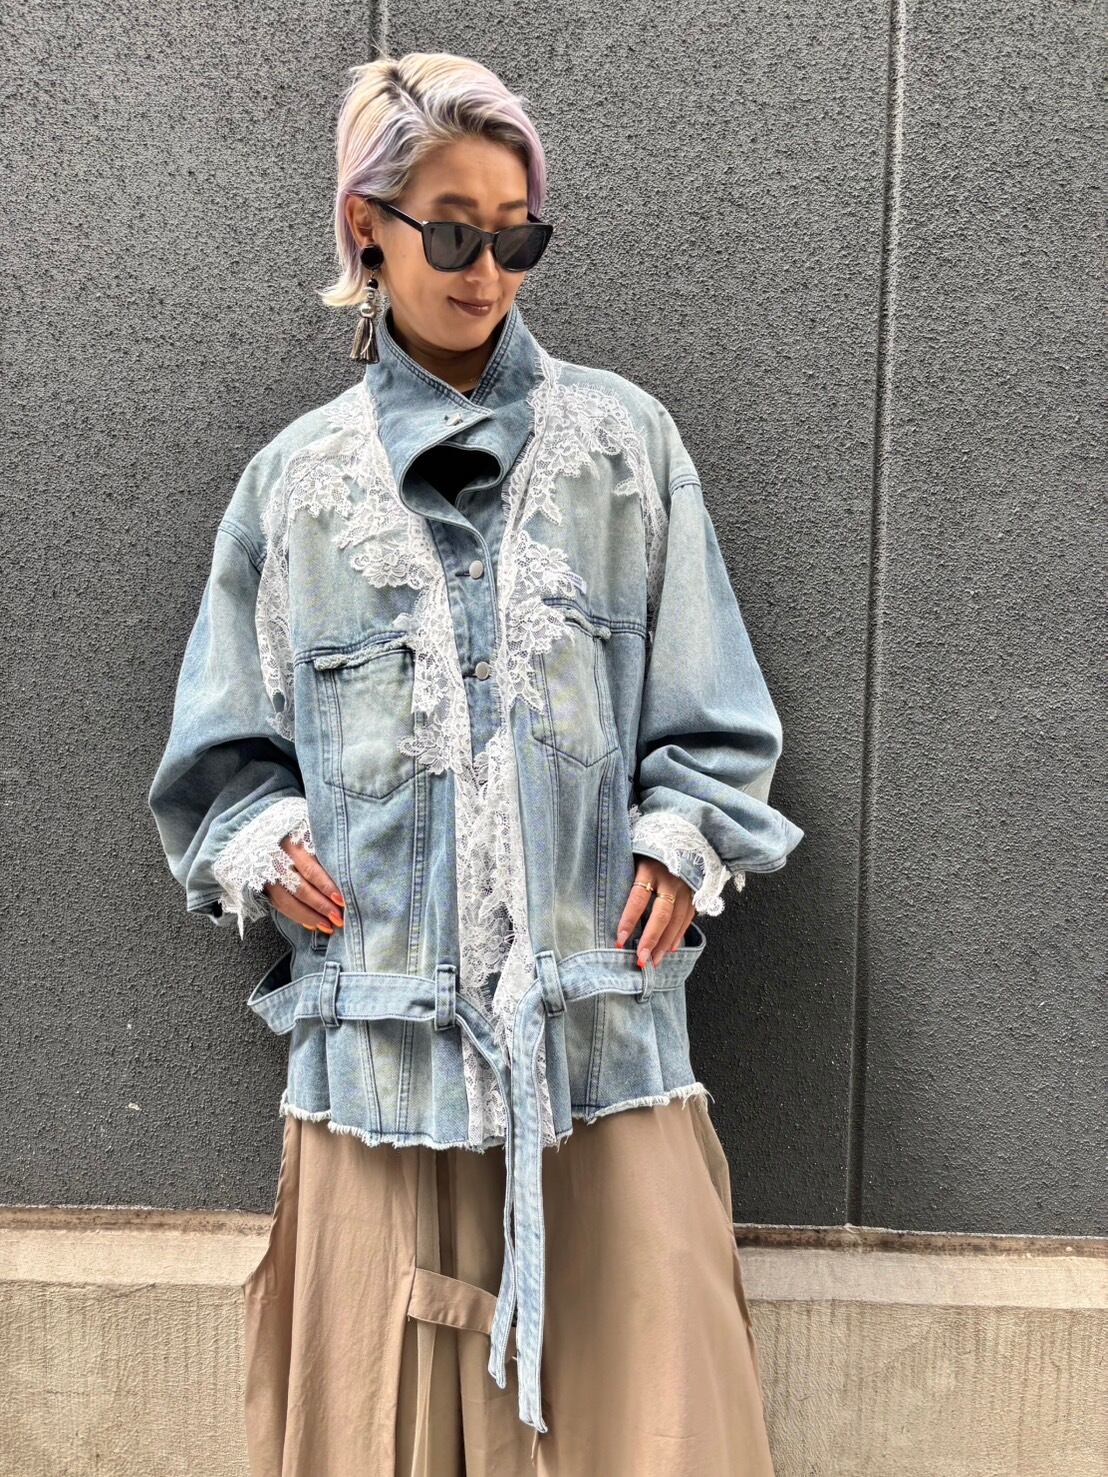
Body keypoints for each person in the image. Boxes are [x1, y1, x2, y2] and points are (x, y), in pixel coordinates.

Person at [148, 49, 804, 1476]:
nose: (488, 270)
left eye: (518, 236)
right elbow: (218, 757)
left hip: (599, 1045)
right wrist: (261, 842)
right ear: (366, 229)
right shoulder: (295, 488)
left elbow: (713, 713)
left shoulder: (625, 450)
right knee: (373, 1430)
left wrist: (683, 837)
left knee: (654, 1430)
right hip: (378, 1061)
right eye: (452, 233)